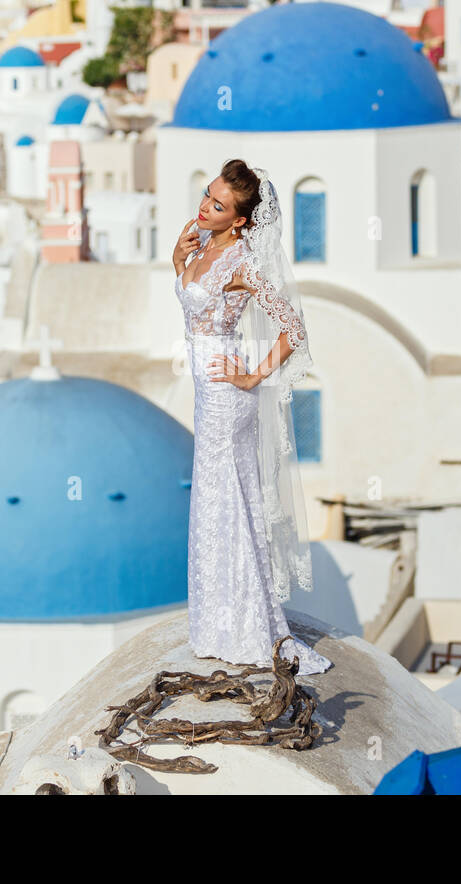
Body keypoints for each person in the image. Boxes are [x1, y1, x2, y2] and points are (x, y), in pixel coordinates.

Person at [172, 158, 332, 675]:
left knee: (229, 502)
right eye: (206, 195)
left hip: (225, 392)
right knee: (217, 501)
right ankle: (220, 621)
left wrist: (253, 375)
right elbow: (198, 304)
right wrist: (179, 263)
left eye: (218, 205)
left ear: (239, 220)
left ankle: (245, 628)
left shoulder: (241, 260)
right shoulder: (203, 242)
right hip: (206, 390)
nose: (205, 206)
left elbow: (292, 327)